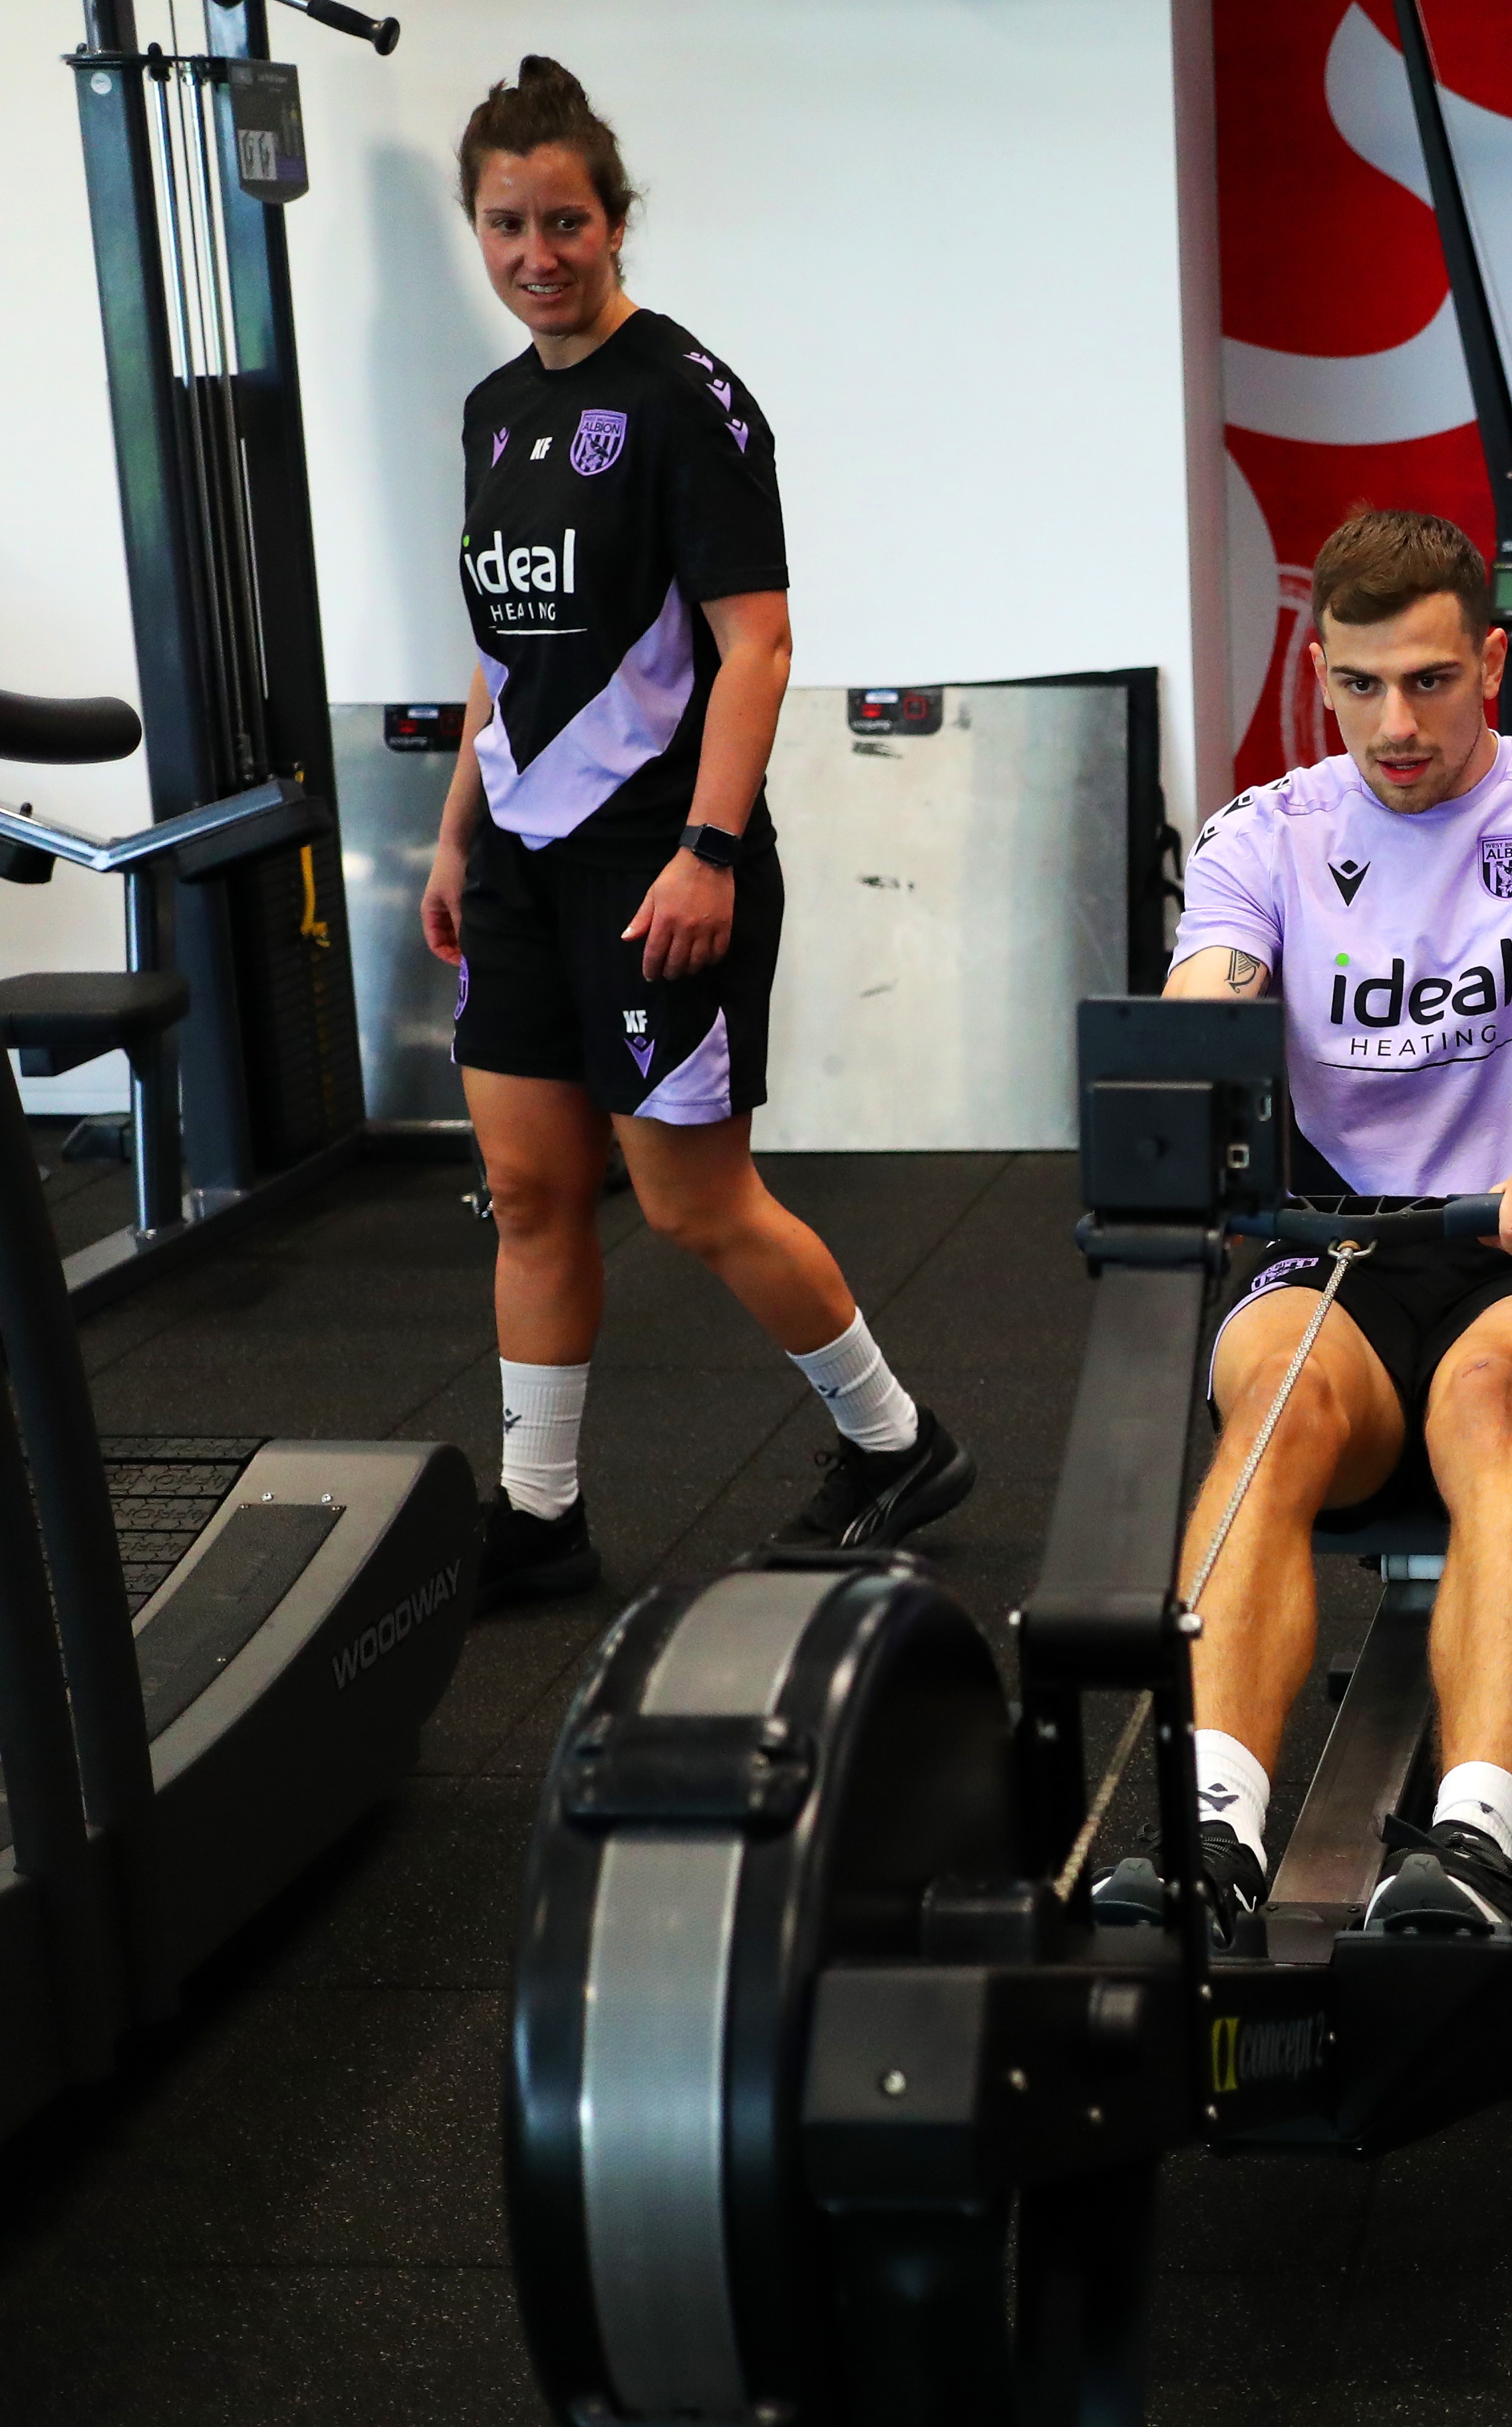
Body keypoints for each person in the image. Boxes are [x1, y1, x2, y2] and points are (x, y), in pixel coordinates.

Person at [1101, 508, 1512, 1948]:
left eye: (1430, 680)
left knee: (1487, 1404)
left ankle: (1473, 1843)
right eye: (1361, 686)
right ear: (1321, 675)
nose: (1395, 722)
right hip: (1339, 1243)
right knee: (1277, 1406)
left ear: (1491, 661)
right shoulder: (1267, 835)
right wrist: (1189, 1085)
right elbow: (1207, 1016)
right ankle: (1213, 1835)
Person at [422, 59, 975, 1602]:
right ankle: (543, 1516)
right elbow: (501, 656)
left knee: (690, 1199)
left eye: (567, 222)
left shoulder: (684, 398)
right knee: (532, 1189)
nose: (539, 254)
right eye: (507, 225)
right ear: (480, 228)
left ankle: (896, 1439)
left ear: (616, 220)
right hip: (525, 864)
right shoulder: (490, 414)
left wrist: (709, 854)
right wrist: (457, 833)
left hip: (659, 860)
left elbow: (759, 644)